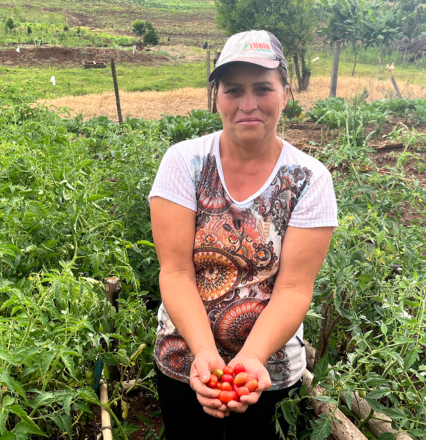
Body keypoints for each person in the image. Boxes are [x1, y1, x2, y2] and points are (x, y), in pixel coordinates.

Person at [148, 30, 338, 439]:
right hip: (185, 360)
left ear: (285, 93)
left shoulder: (309, 179)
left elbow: (293, 288)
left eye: (262, 88)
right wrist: (204, 353)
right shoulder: (185, 163)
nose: (247, 104)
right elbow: (176, 272)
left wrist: (252, 356)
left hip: (266, 371)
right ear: (217, 97)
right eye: (233, 89)